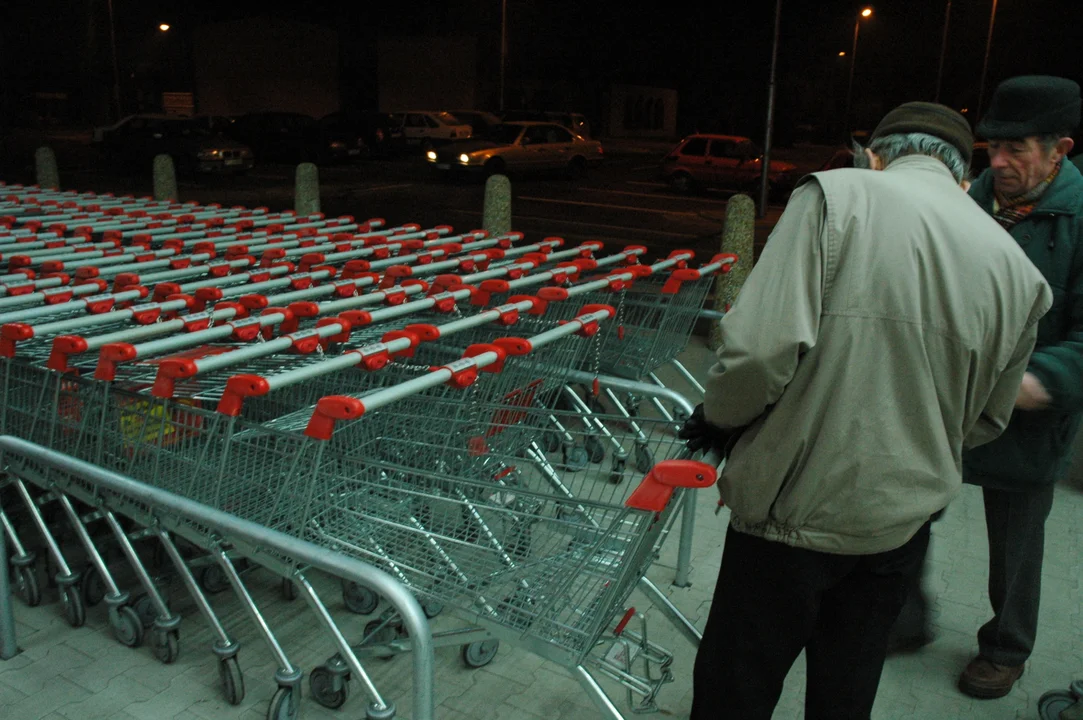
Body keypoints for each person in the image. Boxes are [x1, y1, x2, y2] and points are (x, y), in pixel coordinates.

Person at [681, 101, 1052, 720]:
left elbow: (757, 353)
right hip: (900, 524)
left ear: (874, 156)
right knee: (848, 685)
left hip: (790, 513)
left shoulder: (834, 197)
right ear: (964, 178)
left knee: (736, 688)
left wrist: (719, 420)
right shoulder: (1017, 268)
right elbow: (988, 419)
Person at [954, 75, 1083, 700]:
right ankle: (901, 617)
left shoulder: (1080, 217)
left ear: (1060, 148)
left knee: (1016, 544)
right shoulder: (966, 201)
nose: (998, 162)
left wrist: (1043, 380)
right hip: (945, 401)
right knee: (904, 514)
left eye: (1016, 149)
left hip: (1025, 418)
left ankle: (1006, 649)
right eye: (991, 147)